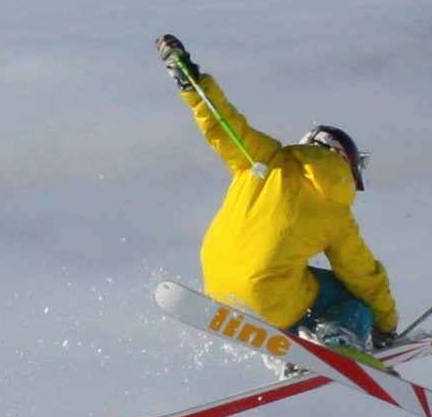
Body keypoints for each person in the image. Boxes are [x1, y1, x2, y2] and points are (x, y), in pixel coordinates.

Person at [161, 34, 399, 353]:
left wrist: (191, 82)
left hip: (216, 285)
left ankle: (297, 353)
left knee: (300, 281)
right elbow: (364, 279)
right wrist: (385, 326)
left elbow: (221, 123)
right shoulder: (337, 215)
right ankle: (339, 342)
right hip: (268, 298)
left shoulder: (265, 160)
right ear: (348, 166)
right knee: (352, 298)